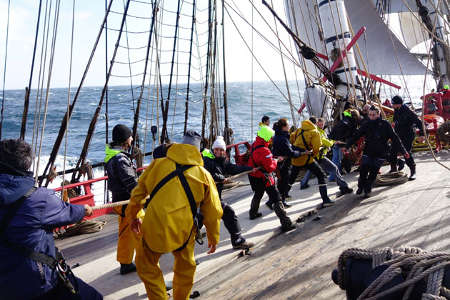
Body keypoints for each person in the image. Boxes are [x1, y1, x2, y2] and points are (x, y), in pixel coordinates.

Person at [0, 139, 102, 300]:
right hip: (36, 282)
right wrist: (84, 210)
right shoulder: (39, 198)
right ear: (27, 164)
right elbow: (69, 213)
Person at [126, 130, 223, 300]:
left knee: (146, 264)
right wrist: (213, 237)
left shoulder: (158, 165)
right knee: (185, 269)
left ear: (179, 146)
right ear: (198, 151)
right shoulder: (204, 176)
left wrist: (132, 217)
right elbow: (213, 211)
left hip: (154, 227)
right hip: (183, 232)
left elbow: (137, 195)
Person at [345, 106, 410, 197]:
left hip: (381, 152)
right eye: (370, 115)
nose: (371, 117)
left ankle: (367, 189)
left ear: (378, 114)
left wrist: (404, 151)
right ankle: (361, 186)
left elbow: (395, 138)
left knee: (373, 173)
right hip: (368, 151)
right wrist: (347, 146)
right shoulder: (366, 124)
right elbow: (356, 136)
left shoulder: (385, 124)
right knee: (363, 171)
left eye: (373, 115)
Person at [202, 136, 254, 250]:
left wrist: (249, 168)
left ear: (224, 151)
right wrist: (221, 178)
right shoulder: (207, 160)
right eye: (216, 149)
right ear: (213, 149)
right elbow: (207, 173)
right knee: (196, 224)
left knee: (228, 213)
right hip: (205, 198)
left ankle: (237, 240)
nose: (218, 152)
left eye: (221, 150)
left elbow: (232, 168)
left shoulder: (223, 161)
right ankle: (237, 240)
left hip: (215, 198)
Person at [247, 126, 296, 232]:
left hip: (253, 176)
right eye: (270, 138)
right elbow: (270, 167)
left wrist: (271, 159)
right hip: (264, 177)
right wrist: (276, 160)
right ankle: (286, 223)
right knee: (276, 198)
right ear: (267, 137)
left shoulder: (254, 145)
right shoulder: (264, 150)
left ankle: (253, 213)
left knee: (258, 193)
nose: (271, 140)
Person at [105, 124, 139, 275]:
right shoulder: (120, 159)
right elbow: (131, 182)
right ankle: (147, 260)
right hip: (127, 202)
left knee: (126, 233)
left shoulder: (113, 156)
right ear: (125, 140)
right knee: (143, 231)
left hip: (120, 201)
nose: (132, 139)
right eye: (130, 136)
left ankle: (125, 263)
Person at [300, 117, 353, 196]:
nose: (321, 125)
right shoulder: (316, 131)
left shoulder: (312, 131)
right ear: (315, 124)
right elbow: (324, 141)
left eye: (322, 124)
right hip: (319, 156)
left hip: (316, 155)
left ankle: (304, 183)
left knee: (313, 170)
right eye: (319, 124)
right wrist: (334, 142)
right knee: (334, 169)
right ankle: (343, 187)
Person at [289, 118, 335, 207]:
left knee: (291, 178)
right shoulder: (315, 132)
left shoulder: (299, 129)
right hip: (307, 158)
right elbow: (316, 148)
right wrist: (313, 154)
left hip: (297, 158)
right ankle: (325, 200)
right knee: (320, 175)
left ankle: (280, 199)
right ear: (315, 123)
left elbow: (291, 139)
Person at [271, 118, 305, 208]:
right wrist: (300, 153)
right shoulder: (283, 138)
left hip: (280, 164)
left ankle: (278, 201)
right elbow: (290, 152)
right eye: (287, 125)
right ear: (284, 127)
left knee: (281, 182)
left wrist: (300, 150)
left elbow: (291, 147)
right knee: (283, 183)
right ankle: (279, 202)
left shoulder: (277, 136)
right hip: (283, 164)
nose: (289, 127)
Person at [389, 96, 425, 180]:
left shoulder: (409, 111)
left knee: (406, 153)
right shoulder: (396, 110)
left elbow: (419, 123)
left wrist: (422, 135)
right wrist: (394, 124)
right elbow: (395, 119)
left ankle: (413, 171)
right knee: (392, 152)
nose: (392, 106)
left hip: (408, 135)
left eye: (393, 104)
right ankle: (393, 170)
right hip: (398, 134)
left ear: (398, 104)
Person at [328, 109, 360, 180]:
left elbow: (336, 130)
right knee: (337, 160)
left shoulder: (344, 120)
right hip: (341, 143)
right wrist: (346, 142)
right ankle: (333, 176)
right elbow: (350, 134)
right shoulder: (351, 123)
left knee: (335, 159)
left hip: (335, 140)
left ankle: (334, 175)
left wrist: (333, 139)